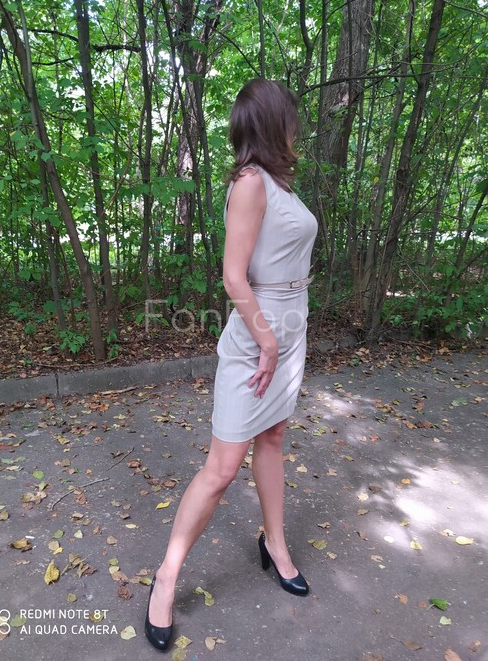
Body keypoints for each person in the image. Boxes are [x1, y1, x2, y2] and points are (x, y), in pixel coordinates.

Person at [144, 77, 318, 651]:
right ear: (273, 122)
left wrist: (284, 337)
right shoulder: (249, 183)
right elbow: (233, 275)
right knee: (221, 469)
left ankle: (275, 543)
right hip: (258, 334)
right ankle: (166, 577)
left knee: (273, 439)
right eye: (290, 117)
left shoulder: (280, 185)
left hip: (290, 326)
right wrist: (267, 340)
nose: (296, 127)